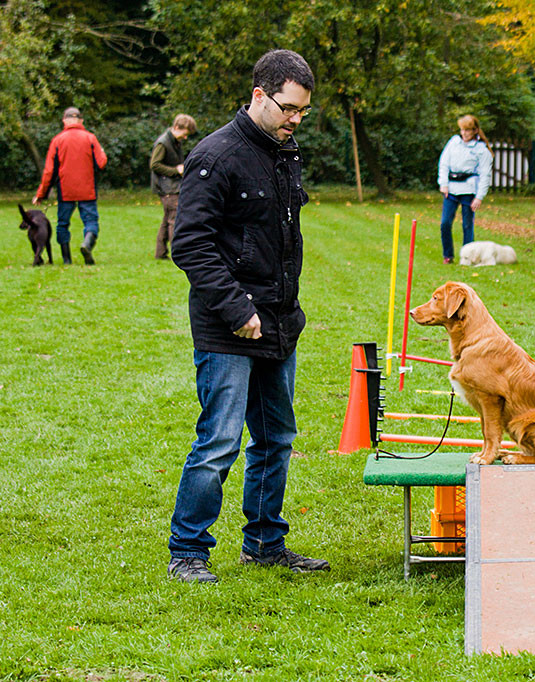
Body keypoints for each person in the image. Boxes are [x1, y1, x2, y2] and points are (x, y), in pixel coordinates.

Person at [167, 49, 328, 584]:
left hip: (280, 324)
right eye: (288, 108)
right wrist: (238, 311)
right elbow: (189, 244)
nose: (295, 119)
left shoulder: (286, 152)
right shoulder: (216, 155)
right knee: (219, 442)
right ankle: (188, 552)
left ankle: (265, 543)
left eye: (303, 111)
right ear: (259, 95)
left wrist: (282, 312)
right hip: (227, 328)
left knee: (277, 440)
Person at [33, 107, 108, 265]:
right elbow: (101, 163)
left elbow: (49, 171)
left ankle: (66, 259)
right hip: (87, 189)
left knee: (63, 224)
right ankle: (87, 244)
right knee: (91, 221)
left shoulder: (58, 140)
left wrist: (41, 194)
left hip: (65, 190)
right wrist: (102, 152)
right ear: (81, 121)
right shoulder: (90, 138)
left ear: (64, 121)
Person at [437, 114, 493, 264]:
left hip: (469, 190)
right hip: (452, 188)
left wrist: (479, 196)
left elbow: (485, 174)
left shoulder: (481, 150)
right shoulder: (454, 142)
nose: (464, 133)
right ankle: (447, 255)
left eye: (467, 130)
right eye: (462, 130)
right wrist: (443, 184)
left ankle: (469, 257)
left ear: (474, 130)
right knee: (445, 223)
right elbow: (443, 163)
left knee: (467, 224)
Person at [150, 113, 197, 260]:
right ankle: (179, 253)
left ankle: (160, 253)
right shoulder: (163, 143)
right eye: (185, 133)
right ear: (177, 127)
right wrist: (175, 170)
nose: (185, 137)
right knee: (173, 220)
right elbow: (154, 165)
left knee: (167, 220)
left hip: (171, 186)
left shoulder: (175, 142)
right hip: (168, 188)